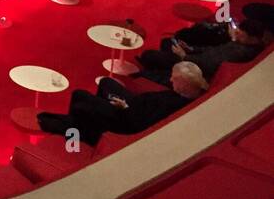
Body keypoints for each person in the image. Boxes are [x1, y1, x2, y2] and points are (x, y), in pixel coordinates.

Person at [37, 62, 208, 146]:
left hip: (125, 119)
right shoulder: (186, 93)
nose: (170, 80)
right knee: (106, 82)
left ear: (185, 84)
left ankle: (76, 130)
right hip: (133, 104)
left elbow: (140, 124)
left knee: (79, 96)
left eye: (174, 79)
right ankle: (93, 119)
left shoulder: (175, 105)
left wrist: (123, 107)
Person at [134, 19, 265, 85]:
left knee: (149, 55)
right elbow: (213, 50)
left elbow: (209, 64)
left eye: (241, 34)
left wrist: (184, 56)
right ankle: (160, 64)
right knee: (167, 42)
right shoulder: (241, 43)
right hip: (196, 58)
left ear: (253, 39)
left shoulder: (240, 53)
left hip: (196, 68)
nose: (237, 35)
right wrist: (191, 49)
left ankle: (151, 70)